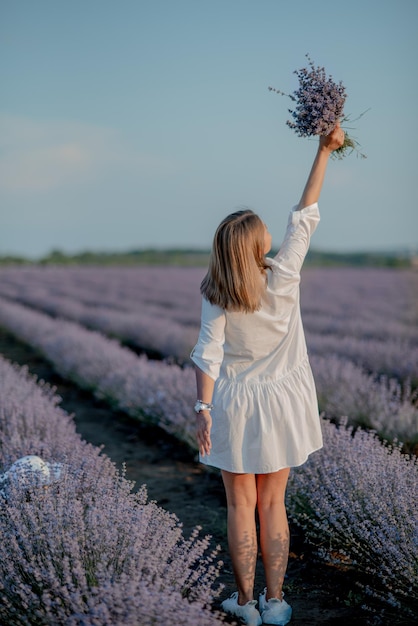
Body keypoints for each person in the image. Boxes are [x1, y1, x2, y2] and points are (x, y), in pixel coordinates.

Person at [190, 123, 345, 626]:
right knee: (273, 503)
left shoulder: (217, 291)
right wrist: (323, 150)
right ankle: (276, 601)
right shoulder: (284, 274)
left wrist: (203, 409)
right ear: (256, 244)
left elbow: (207, 355)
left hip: (234, 403)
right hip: (283, 402)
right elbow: (305, 215)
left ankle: (245, 602)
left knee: (240, 505)